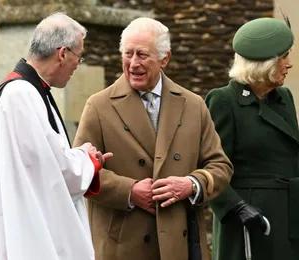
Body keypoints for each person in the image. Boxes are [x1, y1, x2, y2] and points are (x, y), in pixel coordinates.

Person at [73, 17, 233, 260]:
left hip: (179, 245)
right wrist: (130, 190)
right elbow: (80, 171)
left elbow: (220, 166)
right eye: (128, 54)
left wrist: (191, 184)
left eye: (142, 55)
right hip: (123, 246)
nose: (133, 63)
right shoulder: (98, 106)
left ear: (164, 59)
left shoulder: (193, 105)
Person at [0, 12, 113, 260]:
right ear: (62, 54)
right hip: (23, 229)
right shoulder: (21, 95)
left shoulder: (27, 91)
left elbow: (42, 161)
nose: (77, 65)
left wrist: (79, 157)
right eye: (78, 56)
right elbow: (51, 171)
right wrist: (88, 159)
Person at [205, 17, 299, 260]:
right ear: (264, 64)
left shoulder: (284, 98)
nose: (289, 64)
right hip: (248, 223)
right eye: (284, 57)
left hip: (288, 220)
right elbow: (210, 164)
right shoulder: (224, 100)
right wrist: (235, 207)